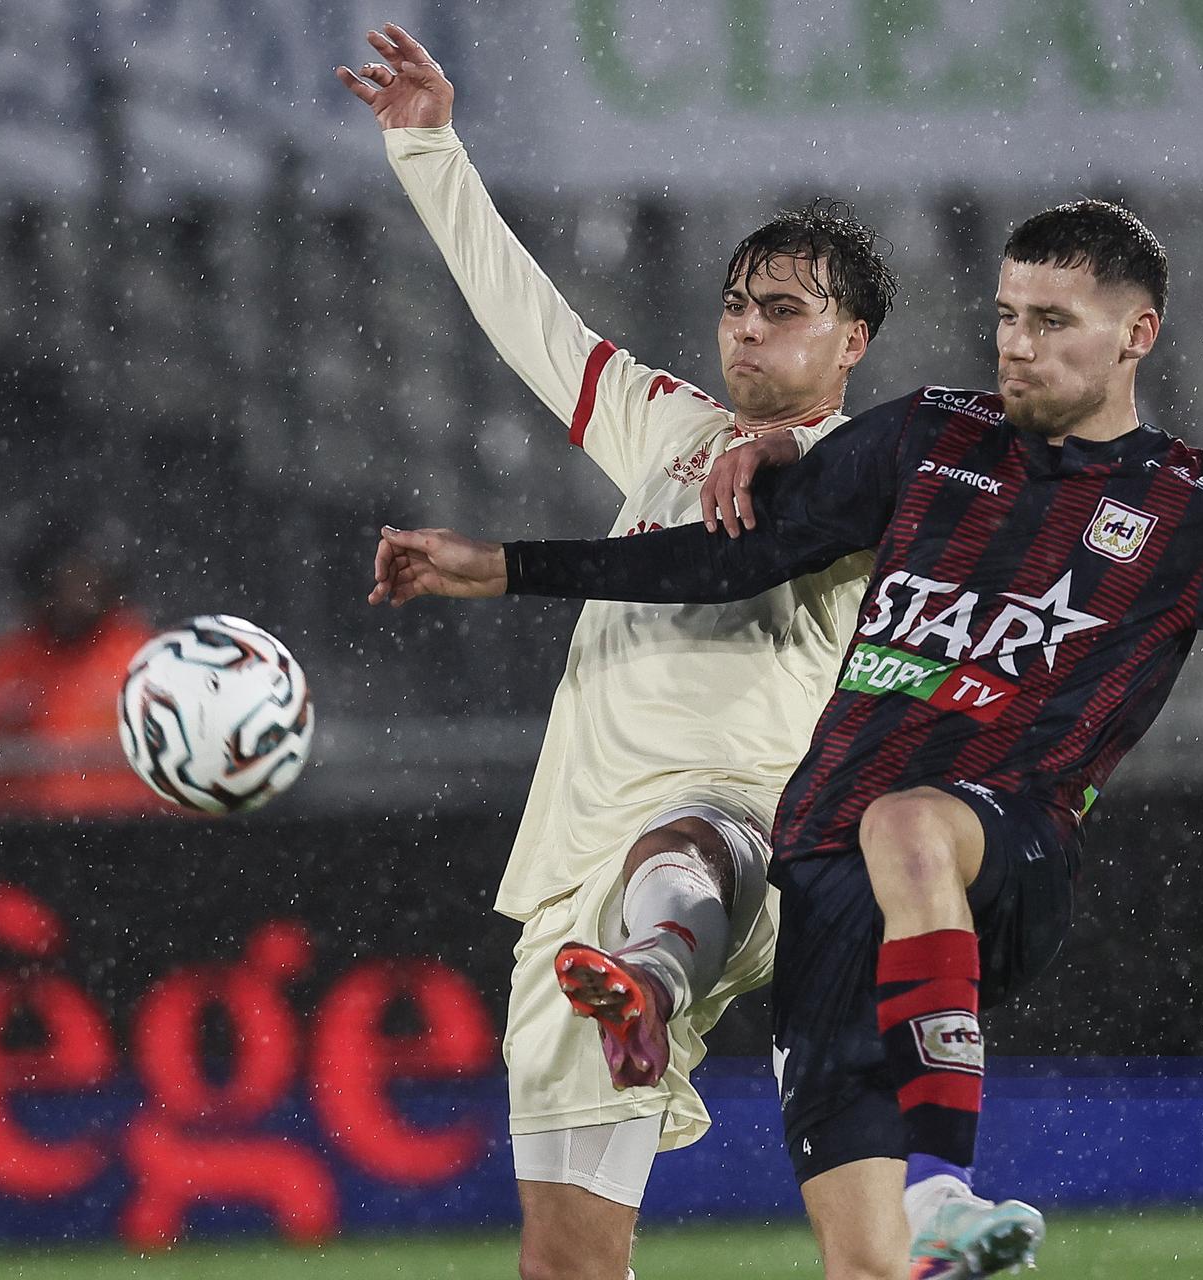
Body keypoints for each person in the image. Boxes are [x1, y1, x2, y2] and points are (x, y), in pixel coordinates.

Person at [369, 204, 1203, 1280]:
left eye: (1052, 323)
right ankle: (912, 1220)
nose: (1018, 345)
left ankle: (947, 1181)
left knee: (905, 822)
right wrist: (508, 564)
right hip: (829, 889)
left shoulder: (1199, 513)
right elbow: (721, 565)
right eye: (1007, 316)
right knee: (862, 1261)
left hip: (997, 841)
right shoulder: (926, 442)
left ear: (1139, 334)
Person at [339, 26, 897, 1280]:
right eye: (738, 305)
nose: (748, 331)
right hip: (570, 875)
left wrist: (509, 562)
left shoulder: (866, 477)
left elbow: (768, 524)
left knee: (685, 842)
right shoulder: (668, 431)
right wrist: (427, 146)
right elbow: (523, 315)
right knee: (569, 1260)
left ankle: (652, 965)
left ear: (851, 341)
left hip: (739, 828)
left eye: (786, 311)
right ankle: (628, 974)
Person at [0, 519, 159, 820]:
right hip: (22, 840)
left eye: (87, 578)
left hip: (130, 838)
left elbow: (187, 776)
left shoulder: (146, 662)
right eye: (65, 579)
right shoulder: (3, 667)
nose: (77, 594)